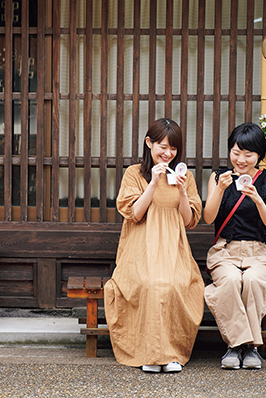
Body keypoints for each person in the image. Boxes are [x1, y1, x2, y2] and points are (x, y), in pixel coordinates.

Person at [104, 118, 204, 373]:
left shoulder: (185, 176)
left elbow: (188, 220)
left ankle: (170, 354)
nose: (168, 153)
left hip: (174, 247)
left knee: (174, 285)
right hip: (140, 248)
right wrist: (153, 183)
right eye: (163, 146)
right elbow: (135, 213)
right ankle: (149, 352)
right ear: (149, 143)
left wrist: (182, 192)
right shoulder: (134, 173)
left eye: (173, 149)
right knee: (149, 285)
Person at [202, 122, 266, 370]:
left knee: (254, 281)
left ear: (259, 155)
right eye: (236, 152)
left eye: (248, 154)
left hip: (259, 253)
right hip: (225, 251)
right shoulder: (219, 177)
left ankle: (242, 348)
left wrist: (257, 198)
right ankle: (244, 347)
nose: (241, 159)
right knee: (229, 281)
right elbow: (208, 218)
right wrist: (220, 190)